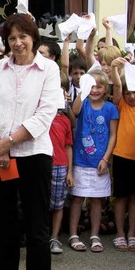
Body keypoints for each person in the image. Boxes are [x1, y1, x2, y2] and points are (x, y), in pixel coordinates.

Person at [0, 13, 61, 270]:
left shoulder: (48, 69)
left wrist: (8, 141)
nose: (17, 43)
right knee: (3, 223)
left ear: (33, 38)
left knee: (36, 225)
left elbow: (45, 114)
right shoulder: (0, 68)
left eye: (22, 37)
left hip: (34, 156)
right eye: (12, 38)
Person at [68, 69, 119, 253]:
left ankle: (94, 234)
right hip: (81, 161)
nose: (95, 90)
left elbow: (113, 135)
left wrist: (106, 158)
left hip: (100, 163)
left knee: (97, 201)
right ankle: (73, 234)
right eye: (92, 86)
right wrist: (84, 89)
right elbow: (74, 111)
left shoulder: (110, 108)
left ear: (106, 88)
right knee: (77, 199)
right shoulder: (84, 103)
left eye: (99, 86)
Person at [109, 57, 135, 251]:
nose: (133, 96)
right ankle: (120, 233)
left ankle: (132, 232)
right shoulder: (121, 104)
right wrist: (115, 67)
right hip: (122, 156)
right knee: (121, 197)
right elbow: (116, 85)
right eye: (129, 93)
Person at [47, 76, 74, 255]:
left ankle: (54, 237)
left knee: (58, 204)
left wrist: (70, 172)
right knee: (40, 202)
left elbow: (68, 146)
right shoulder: (39, 114)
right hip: (41, 164)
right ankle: (41, 235)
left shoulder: (64, 119)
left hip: (60, 166)